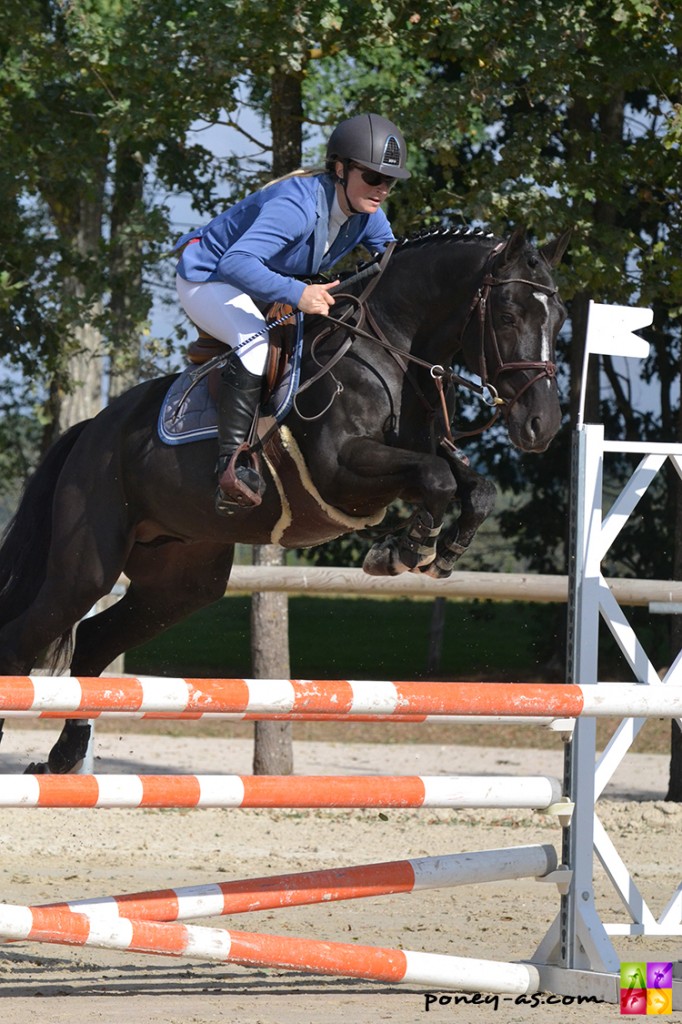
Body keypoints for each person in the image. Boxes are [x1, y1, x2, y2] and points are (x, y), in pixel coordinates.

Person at [174, 112, 410, 515]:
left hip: (264, 284)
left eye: (388, 180)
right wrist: (298, 293)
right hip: (210, 277)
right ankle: (232, 467)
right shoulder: (296, 207)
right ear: (340, 169)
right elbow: (236, 262)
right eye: (372, 177)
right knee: (255, 345)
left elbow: (396, 262)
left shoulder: (367, 215)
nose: (382, 189)